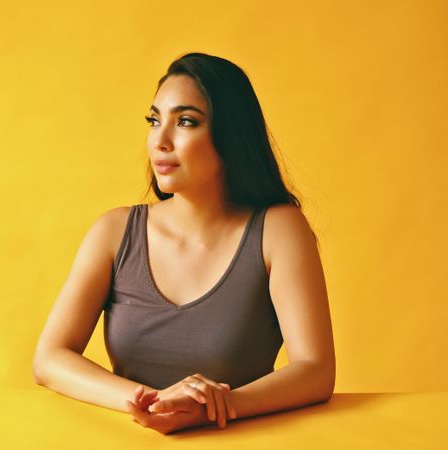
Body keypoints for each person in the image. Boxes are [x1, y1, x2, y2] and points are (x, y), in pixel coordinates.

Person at [32, 52, 335, 435]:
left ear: (230, 135)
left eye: (186, 122)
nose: (160, 140)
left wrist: (220, 408)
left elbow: (316, 370)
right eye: (155, 120)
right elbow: (48, 359)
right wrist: (152, 402)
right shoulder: (114, 231)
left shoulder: (278, 229)